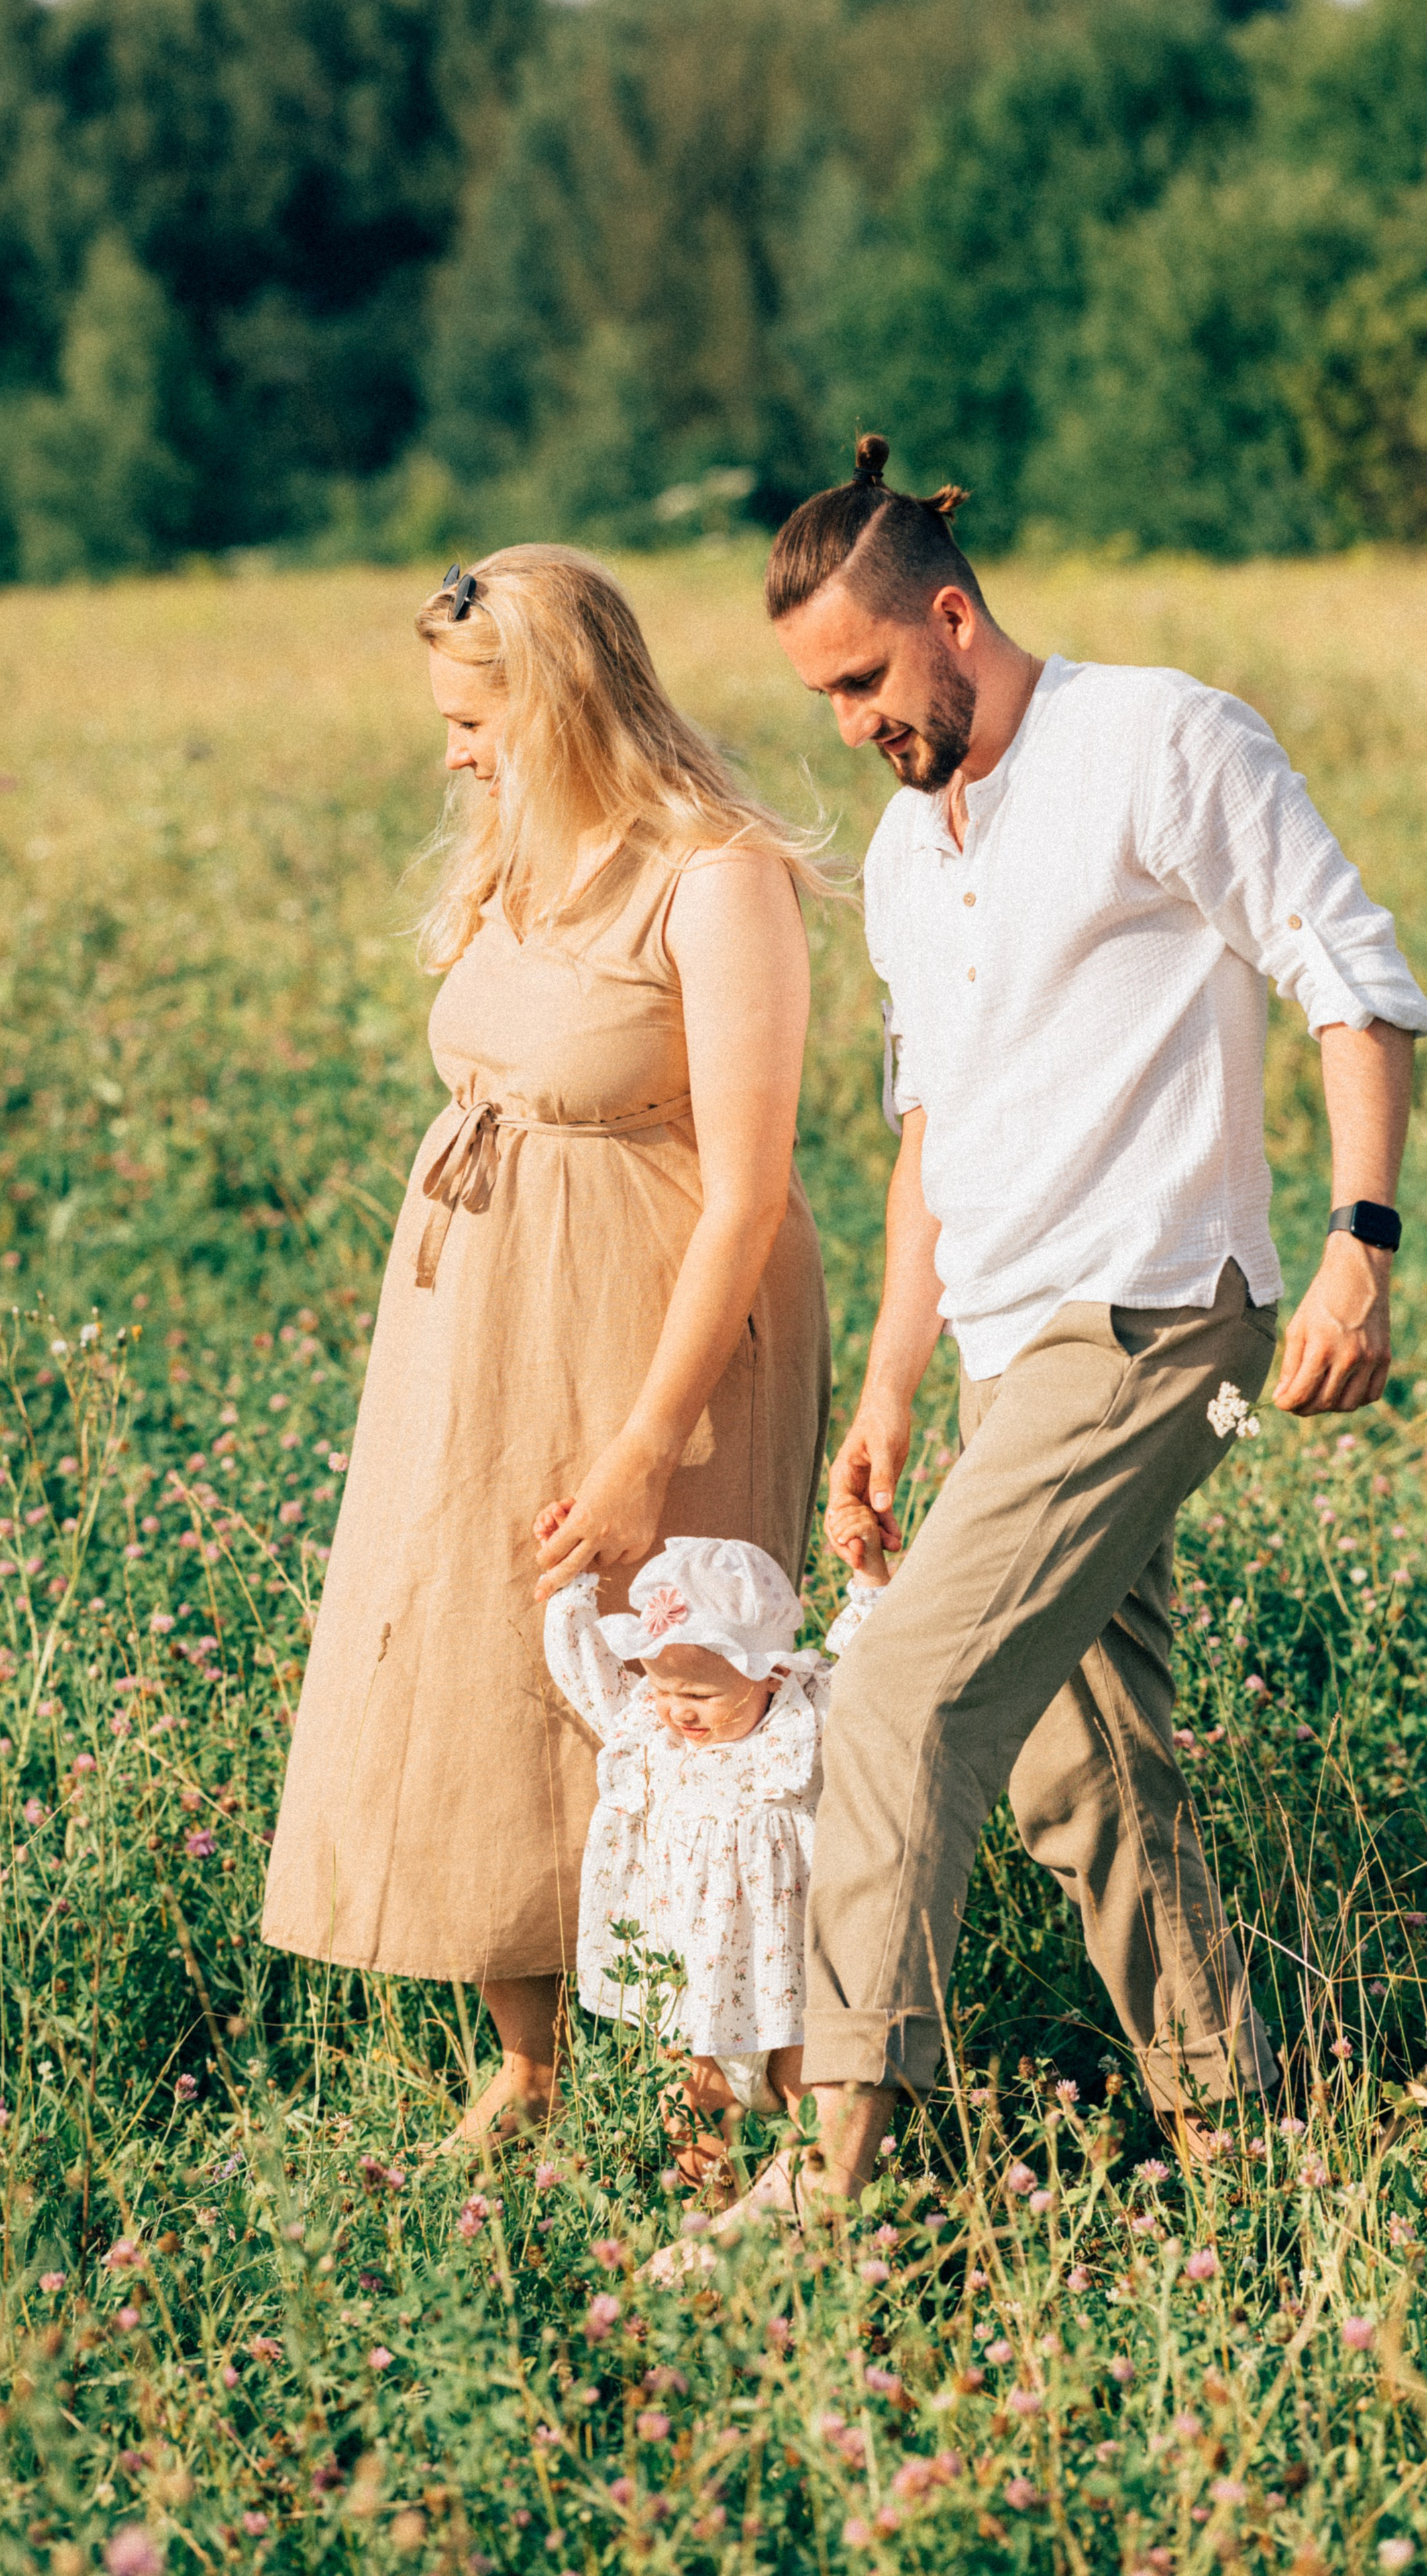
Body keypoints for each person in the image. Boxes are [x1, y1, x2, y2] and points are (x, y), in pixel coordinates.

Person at [713, 431, 1427, 2226]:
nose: (856, 720)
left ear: (953, 616)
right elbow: (932, 1141)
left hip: (1163, 1315)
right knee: (1085, 1766)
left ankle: (852, 2169)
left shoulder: (1163, 741)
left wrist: (1360, 1242)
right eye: (824, 696)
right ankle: (1235, 2141)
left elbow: (1352, 975)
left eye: (870, 677)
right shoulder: (900, 852)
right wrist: (885, 1393)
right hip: (1011, 1355)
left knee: (902, 1696)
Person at [260, 547, 833, 2145]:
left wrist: (648, 1440)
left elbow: (747, 1191)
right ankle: (522, 2061)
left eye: (471, 718)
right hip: (472, 1319)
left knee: (675, 1687)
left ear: (562, 704)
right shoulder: (513, 852)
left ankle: (711, 2097)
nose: (449, 749)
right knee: (470, 1657)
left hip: (657, 1319)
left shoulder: (713, 878)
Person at [541, 1534, 886, 2187]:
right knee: (690, 2108)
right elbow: (583, 1668)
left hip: (788, 1983)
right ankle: (713, 2220)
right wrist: (573, 1586)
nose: (678, 1709)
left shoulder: (802, 1719)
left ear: (768, 1671)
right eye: (665, 1685)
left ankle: (813, 2214)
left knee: (812, 2100)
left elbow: (871, 1664)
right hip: (690, 1989)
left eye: (700, 1693)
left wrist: (867, 1575)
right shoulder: (645, 1723)